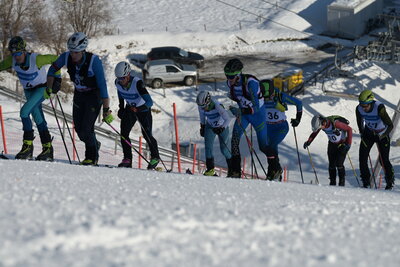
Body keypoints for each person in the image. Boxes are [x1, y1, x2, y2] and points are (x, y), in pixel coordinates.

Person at [47, 32, 113, 165]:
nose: (73, 55)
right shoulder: (66, 57)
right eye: (71, 51)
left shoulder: (94, 62)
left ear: (83, 50)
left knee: (87, 128)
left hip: (94, 96)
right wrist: (50, 86)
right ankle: (94, 143)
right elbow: (52, 69)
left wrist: (106, 109)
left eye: (76, 52)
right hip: (79, 94)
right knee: (79, 130)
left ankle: (91, 157)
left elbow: (102, 86)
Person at [0, 36, 61, 161]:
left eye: (18, 53)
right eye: (13, 53)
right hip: (29, 91)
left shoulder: (36, 59)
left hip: (42, 89)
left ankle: (27, 146)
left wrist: (57, 79)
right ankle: (47, 148)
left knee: (24, 112)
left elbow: (56, 59)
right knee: (38, 119)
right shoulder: (12, 61)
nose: (16, 57)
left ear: (24, 51)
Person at [224, 58, 269, 178]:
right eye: (226, 75)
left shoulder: (251, 83)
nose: (229, 79)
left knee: (263, 146)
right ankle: (235, 171)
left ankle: (275, 168)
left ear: (238, 75)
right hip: (244, 115)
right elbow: (238, 97)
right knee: (234, 139)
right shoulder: (230, 83)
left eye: (231, 76)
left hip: (257, 115)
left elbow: (256, 107)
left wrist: (240, 110)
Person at [114, 61, 160, 170]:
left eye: (123, 78)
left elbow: (149, 103)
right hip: (130, 109)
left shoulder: (137, 83)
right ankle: (127, 159)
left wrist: (139, 109)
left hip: (143, 110)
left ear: (128, 75)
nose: (121, 81)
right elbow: (120, 93)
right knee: (124, 134)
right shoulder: (117, 82)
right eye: (119, 78)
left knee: (146, 134)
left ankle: (155, 157)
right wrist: (121, 107)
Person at [261, 80, 303, 180]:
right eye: (265, 97)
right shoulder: (259, 95)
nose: (267, 99)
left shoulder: (280, 95)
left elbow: (298, 103)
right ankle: (274, 171)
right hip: (267, 128)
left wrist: (298, 119)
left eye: (268, 96)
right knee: (270, 150)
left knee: (272, 146)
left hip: (280, 127)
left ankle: (274, 170)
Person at [356, 89, 394, 189]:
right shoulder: (359, 108)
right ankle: (366, 182)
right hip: (369, 134)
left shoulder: (379, 108)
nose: (363, 108)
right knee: (362, 159)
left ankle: (390, 182)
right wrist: (362, 132)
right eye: (361, 105)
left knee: (384, 160)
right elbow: (359, 121)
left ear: (371, 102)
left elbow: (390, 125)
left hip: (382, 134)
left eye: (365, 106)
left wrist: (381, 136)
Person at [304, 115, 352, 186]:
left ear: (323, 122)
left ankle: (342, 183)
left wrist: (348, 144)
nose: (321, 128)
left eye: (320, 127)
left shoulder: (336, 124)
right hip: (332, 144)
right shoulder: (322, 125)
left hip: (342, 144)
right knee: (331, 165)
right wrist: (309, 141)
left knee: (339, 164)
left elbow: (349, 129)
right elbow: (315, 133)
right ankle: (332, 183)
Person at [196, 91, 232, 176]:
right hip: (210, 126)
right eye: (201, 107)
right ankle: (210, 169)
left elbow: (228, 119)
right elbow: (202, 116)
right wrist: (202, 126)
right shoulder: (201, 106)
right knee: (208, 148)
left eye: (204, 106)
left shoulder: (217, 106)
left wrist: (222, 128)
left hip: (222, 126)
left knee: (224, 150)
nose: (203, 108)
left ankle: (233, 169)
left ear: (208, 102)